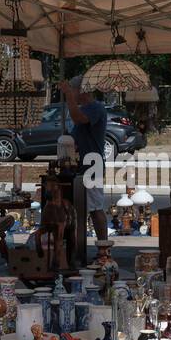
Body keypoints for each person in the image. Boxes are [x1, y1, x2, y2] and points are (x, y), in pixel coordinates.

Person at [60, 75, 109, 255]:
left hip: (92, 165)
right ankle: (75, 249)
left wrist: (68, 97)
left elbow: (79, 118)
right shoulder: (85, 108)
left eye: (73, 90)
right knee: (79, 209)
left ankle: (103, 248)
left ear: (82, 90)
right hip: (81, 166)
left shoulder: (95, 108)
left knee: (95, 209)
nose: (72, 94)